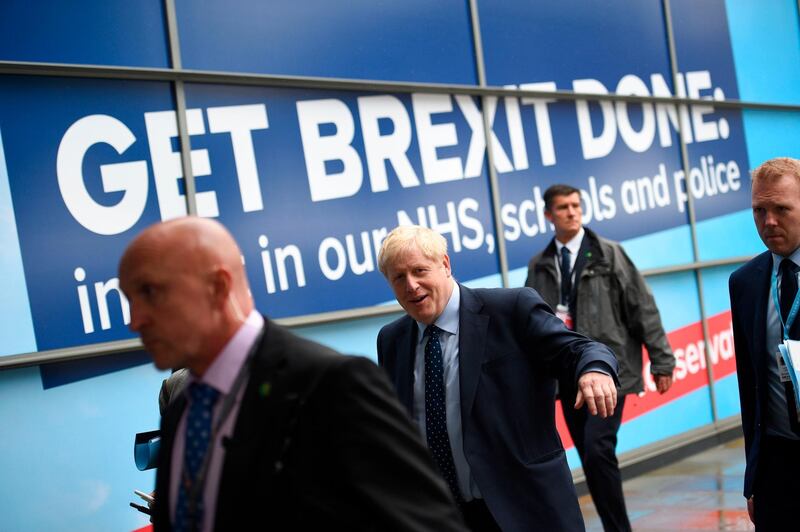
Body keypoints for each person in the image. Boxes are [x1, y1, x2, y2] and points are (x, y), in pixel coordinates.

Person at [119, 216, 466, 532]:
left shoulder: (332, 385)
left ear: (219, 286)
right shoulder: (182, 405)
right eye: (129, 299)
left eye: (150, 293)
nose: (136, 319)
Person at [376, 224, 620, 532]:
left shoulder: (510, 309)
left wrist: (594, 370)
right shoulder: (392, 340)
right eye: (399, 277)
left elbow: (580, 348)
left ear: (446, 265)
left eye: (419, 270)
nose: (411, 285)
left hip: (525, 508)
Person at [525, 184, 675, 532]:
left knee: (597, 450)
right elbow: (530, 322)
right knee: (590, 458)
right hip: (567, 374)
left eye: (576, 205)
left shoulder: (609, 253)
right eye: (562, 207)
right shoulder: (540, 265)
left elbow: (642, 307)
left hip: (609, 368)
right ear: (549, 215)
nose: (572, 212)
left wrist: (662, 361)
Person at [729, 157, 800, 529]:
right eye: (759, 210)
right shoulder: (745, 282)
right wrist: (753, 479)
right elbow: (749, 388)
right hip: (778, 464)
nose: (769, 221)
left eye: (782, 209)